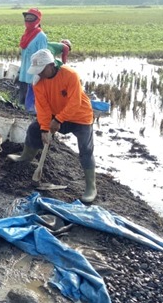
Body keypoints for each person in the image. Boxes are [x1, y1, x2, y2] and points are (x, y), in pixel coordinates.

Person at [8, 49, 97, 203]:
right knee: (34, 129)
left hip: (80, 116)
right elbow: (43, 108)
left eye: (41, 70)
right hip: (56, 115)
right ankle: (26, 157)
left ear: (50, 65)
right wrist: (44, 128)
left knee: (86, 149)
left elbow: (74, 103)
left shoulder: (70, 75)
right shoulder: (38, 82)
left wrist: (58, 120)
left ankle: (91, 186)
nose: (39, 74)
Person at [17, 8, 47, 113]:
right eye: (27, 19)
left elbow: (42, 56)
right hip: (25, 70)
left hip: (34, 71)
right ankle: (22, 109)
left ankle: (30, 112)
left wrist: (39, 73)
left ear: (37, 20)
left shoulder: (41, 36)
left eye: (31, 19)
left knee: (31, 93)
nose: (28, 21)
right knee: (23, 91)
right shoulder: (25, 35)